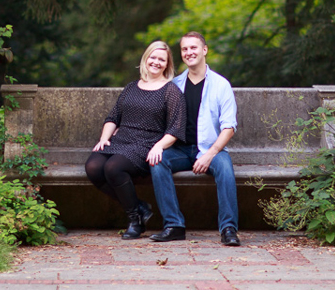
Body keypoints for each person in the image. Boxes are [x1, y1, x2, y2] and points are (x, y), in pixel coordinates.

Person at [85, 40, 186, 240]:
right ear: (146, 58)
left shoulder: (171, 91)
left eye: (162, 60)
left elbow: (176, 128)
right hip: (121, 140)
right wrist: (104, 138)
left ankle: (134, 221)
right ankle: (139, 207)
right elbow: (113, 117)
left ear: (167, 65)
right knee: (93, 167)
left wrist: (159, 146)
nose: (156, 62)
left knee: (113, 168)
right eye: (153, 57)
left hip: (146, 144)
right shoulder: (132, 87)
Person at [149, 31, 240, 246]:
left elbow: (229, 127)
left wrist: (210, 155)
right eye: (184, 49)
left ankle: (228, 229)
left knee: (226, 169)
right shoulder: (174, 85)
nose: (189, 52)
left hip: (210, 149)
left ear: (204, 50)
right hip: (180, 150)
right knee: (157, 161)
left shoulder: (221, 85)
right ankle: (174, 225)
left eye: (194, 48)